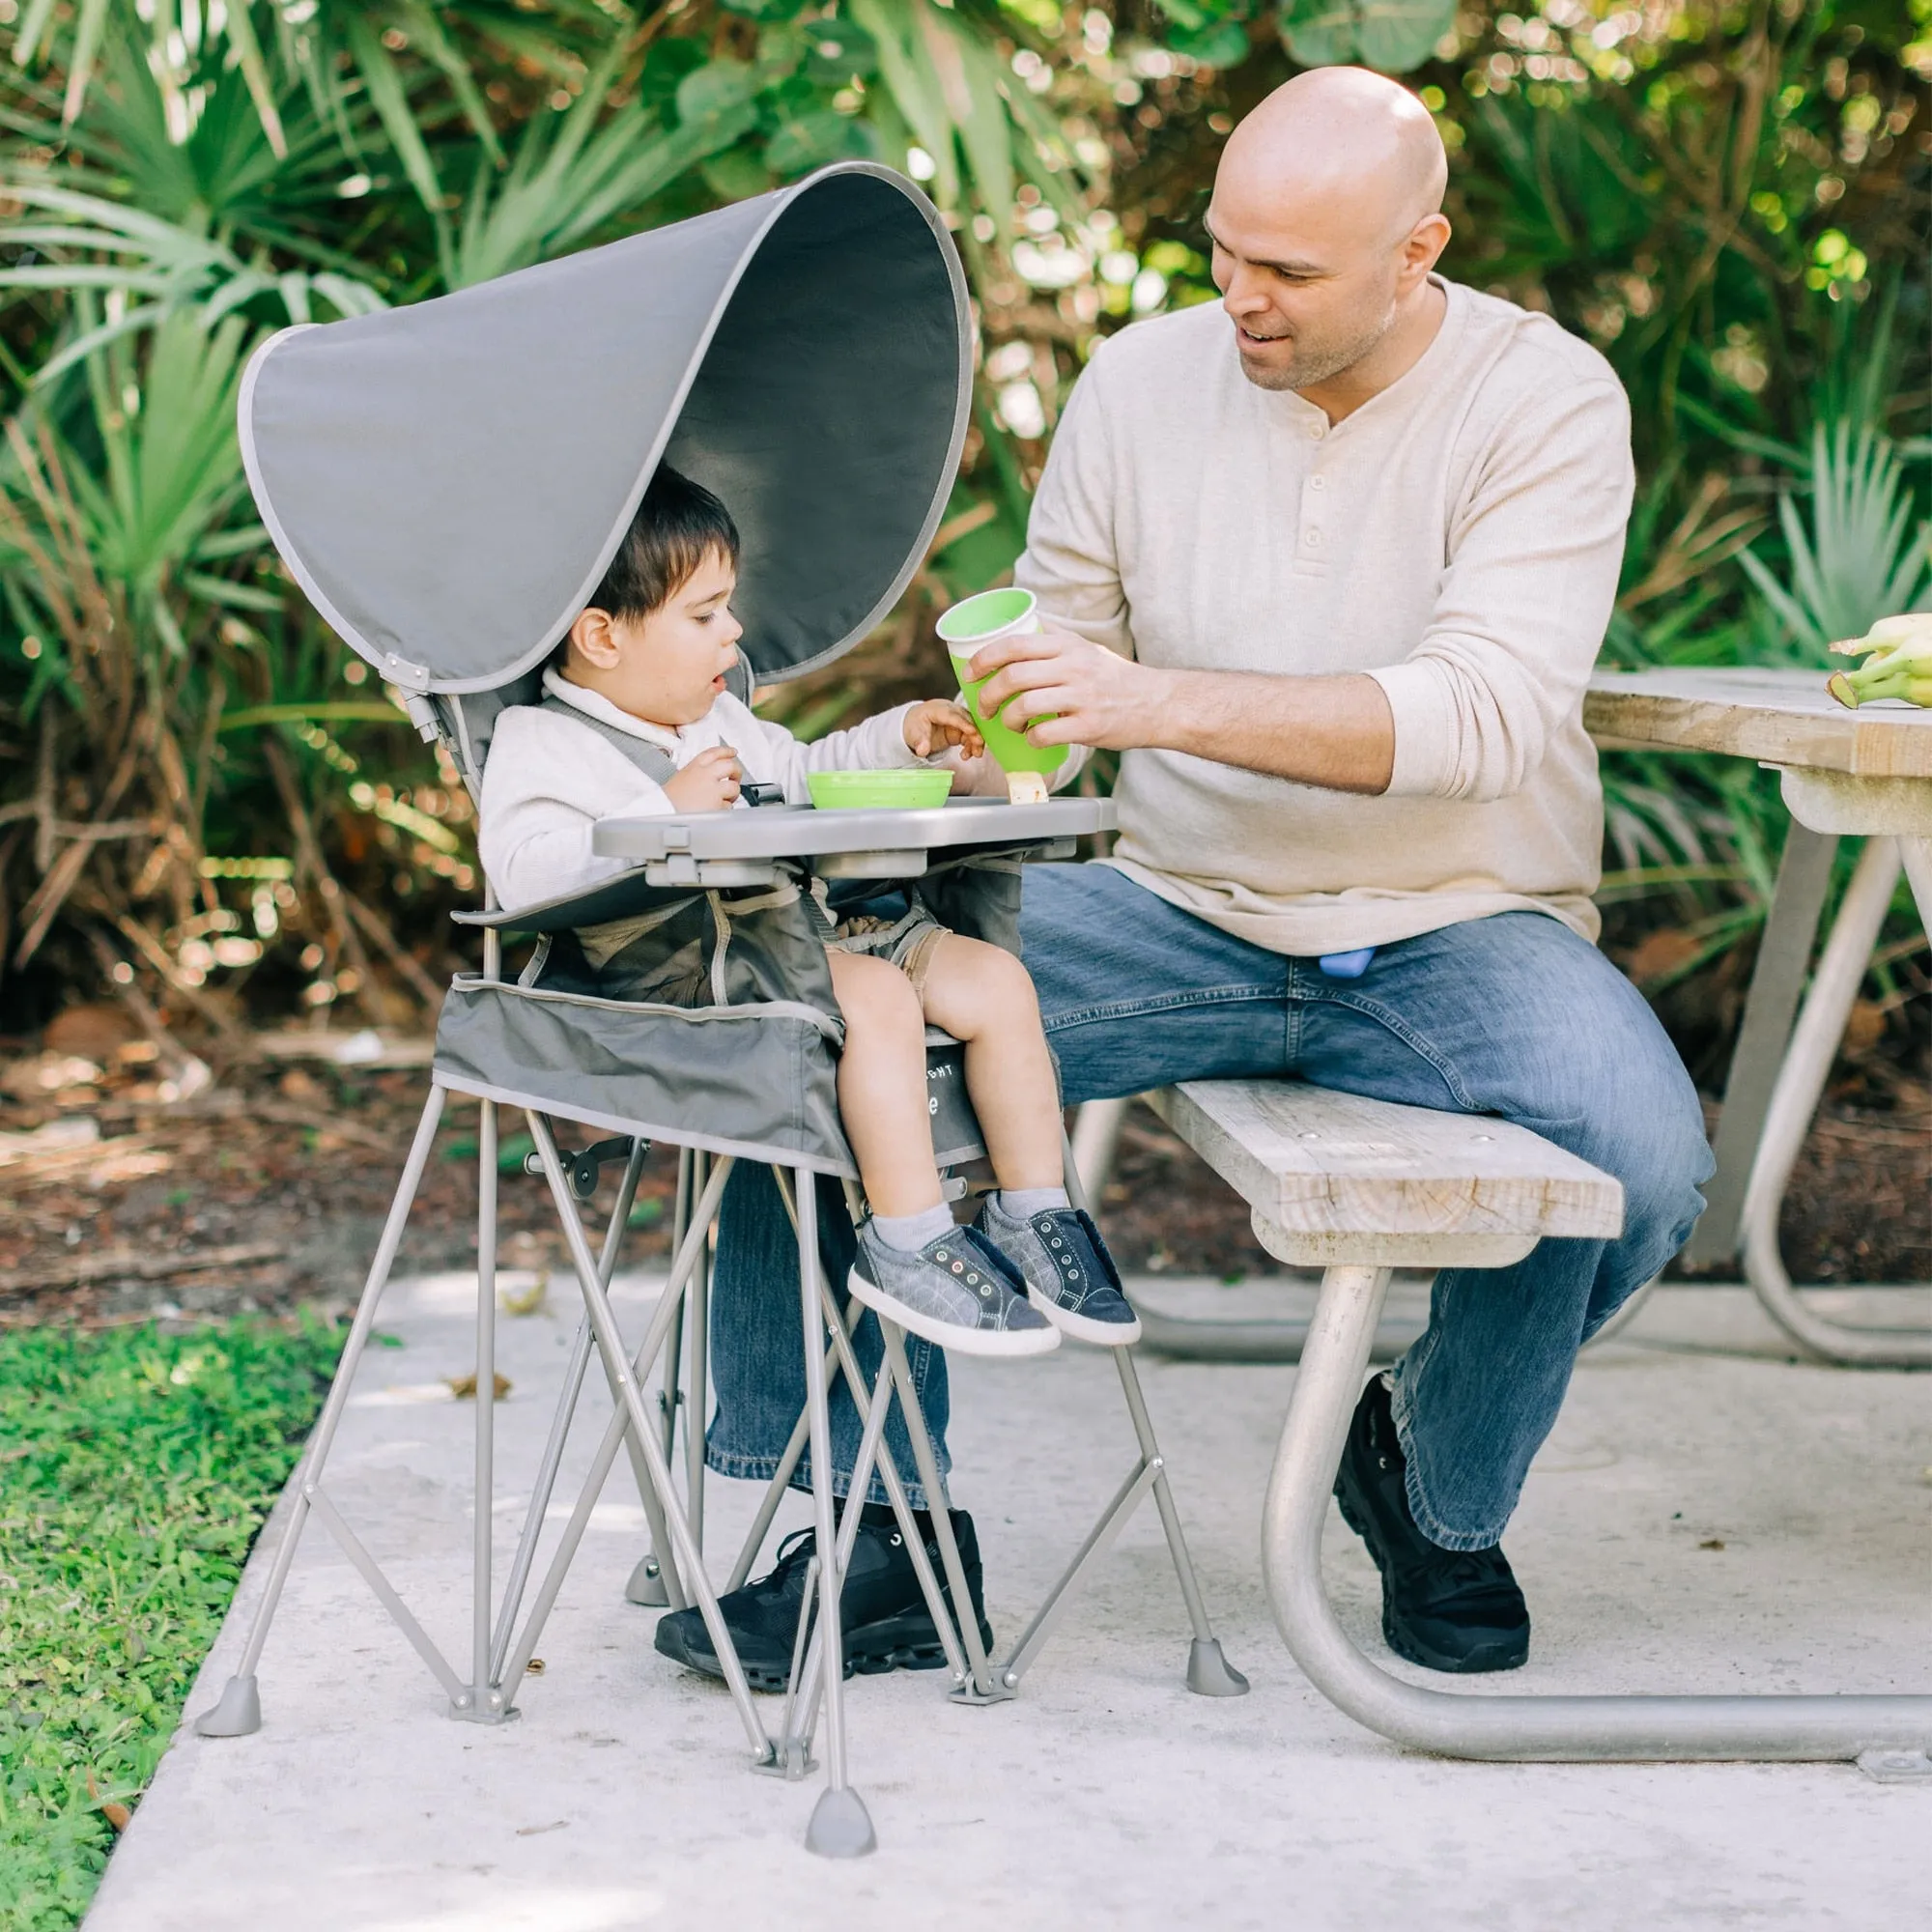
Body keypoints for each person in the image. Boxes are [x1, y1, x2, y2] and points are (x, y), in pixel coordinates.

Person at [677, 65, 1714, 1689]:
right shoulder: (1142, 383)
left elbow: (1487, 717)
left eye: (1289, 271)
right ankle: (879, 1537)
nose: (1241, 295)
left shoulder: (1546, 401)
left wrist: (1150, 702)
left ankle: (1430, 1485)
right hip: (1171, 902)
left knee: (1644, 1164)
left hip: (1458, 923)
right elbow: (1056, 710)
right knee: (812, 1046)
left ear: (1416, 252)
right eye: (1224, 251)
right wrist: (979, 743)